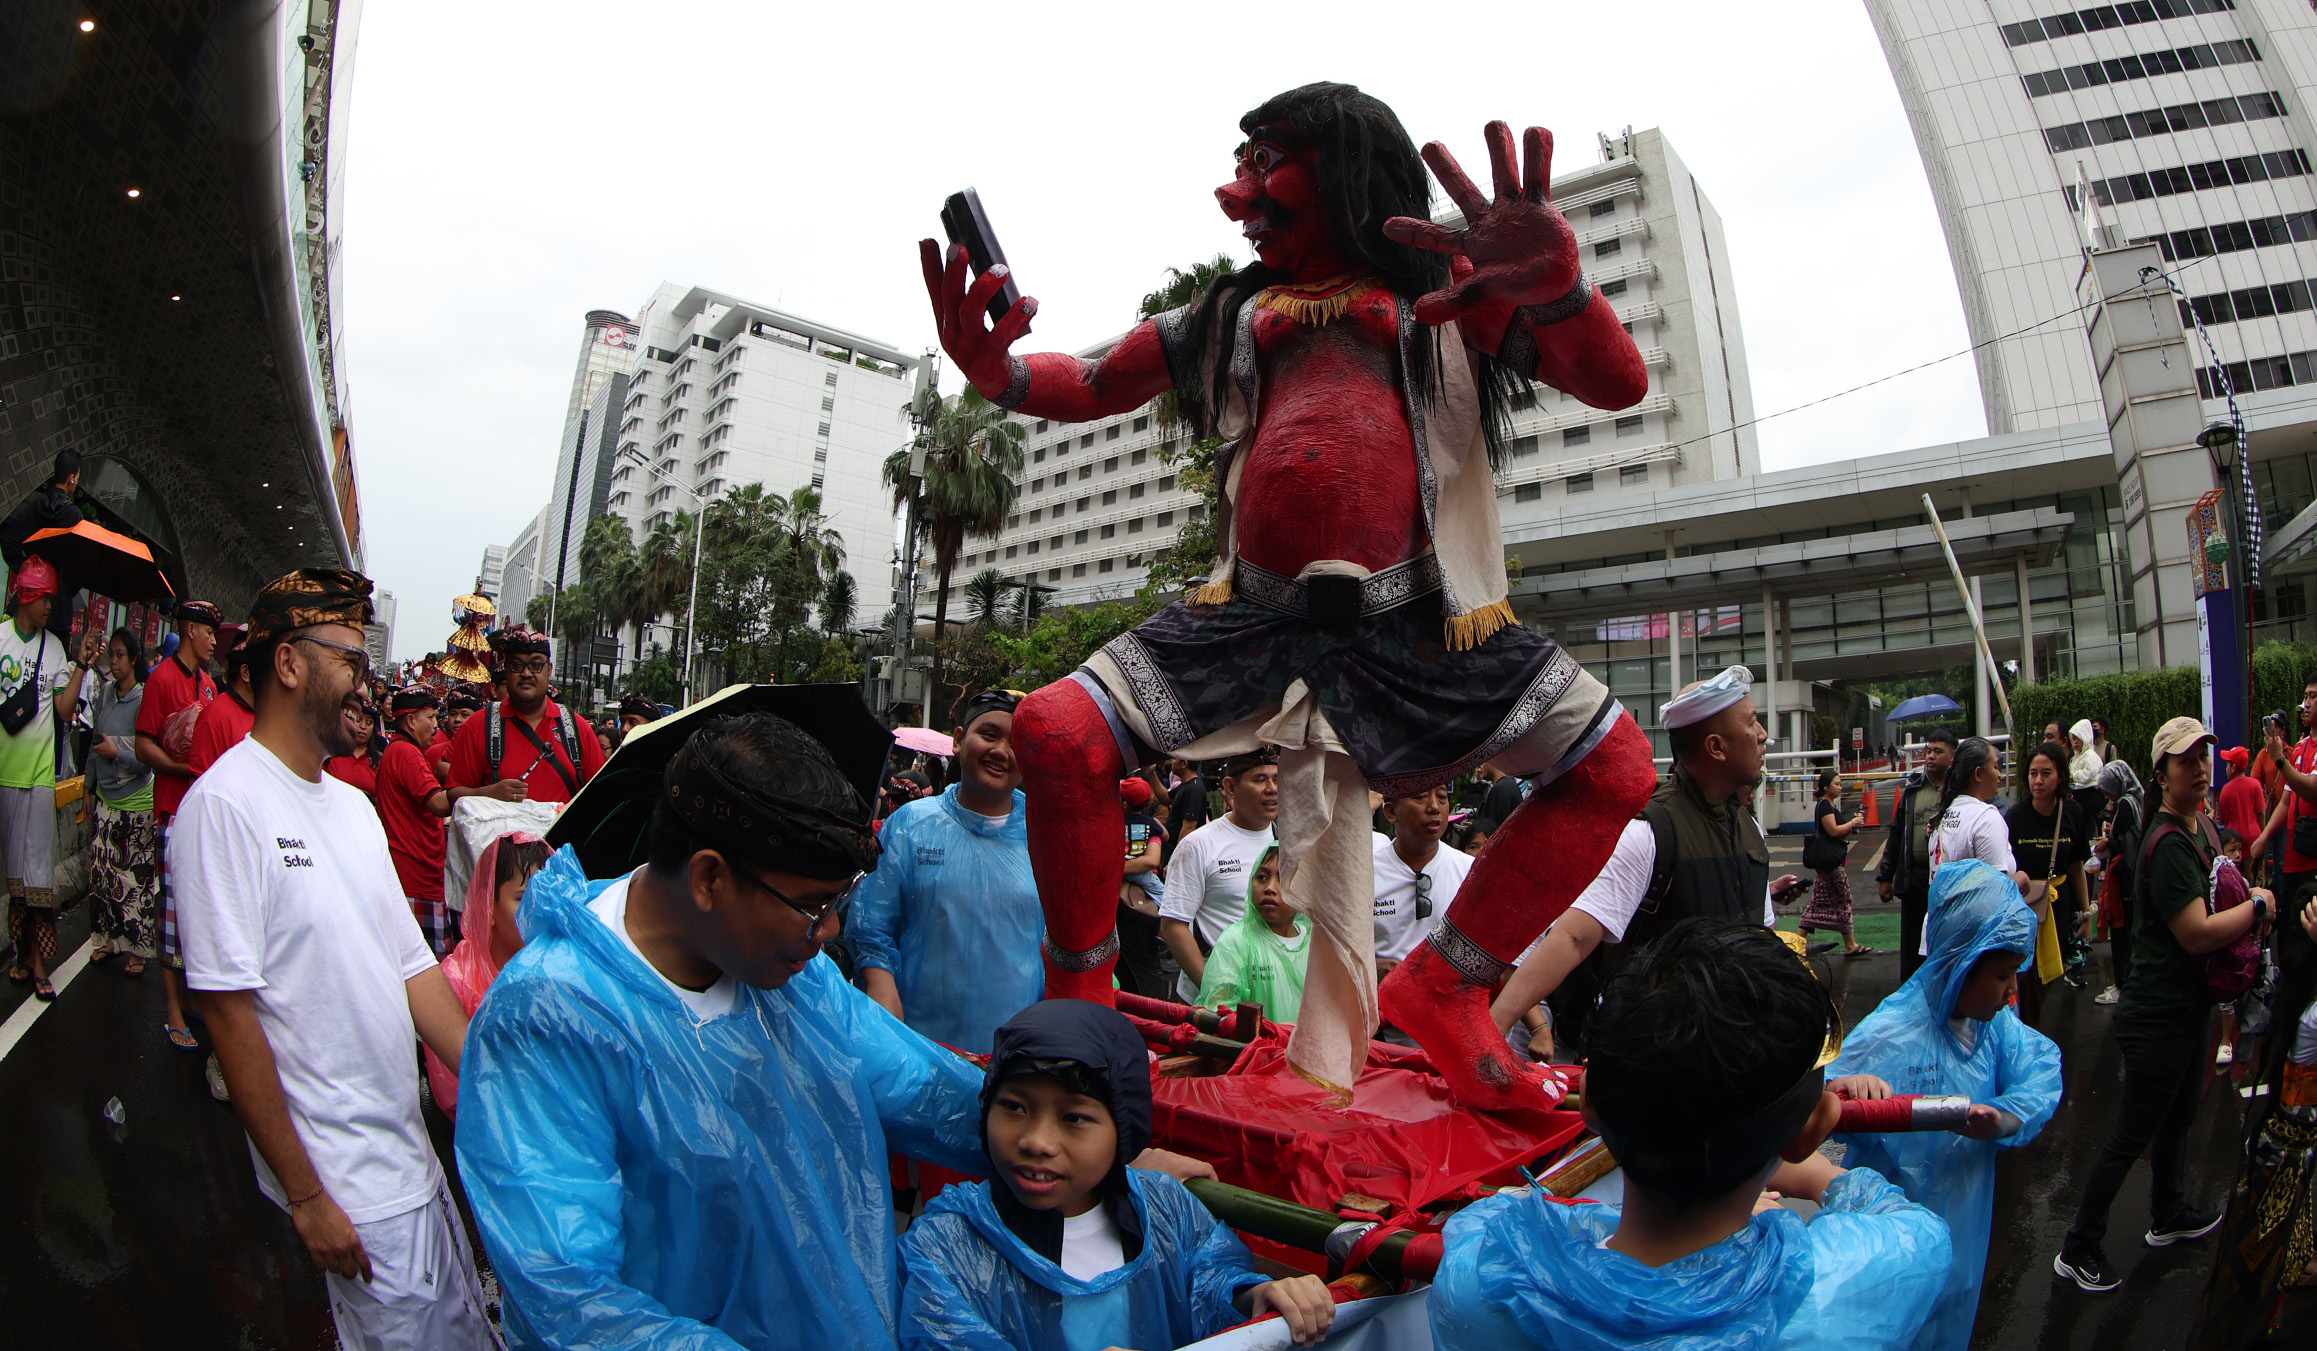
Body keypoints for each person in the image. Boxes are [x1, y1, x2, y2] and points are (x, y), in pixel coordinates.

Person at [946, 85, 1660, 1105]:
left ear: (1343, 168)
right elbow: (1096, 382)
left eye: (1262, 162)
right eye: (1239, 165)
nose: (1235, 192)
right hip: (1254, 616)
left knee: (1614, 766)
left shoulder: (1451, 295)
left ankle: (1448, 986)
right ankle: (1082, 994)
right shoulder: (1231, 314)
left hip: (1416, 619)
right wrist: (1003, 376)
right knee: (1056, 731)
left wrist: (1559, 290)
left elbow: (1617, 383)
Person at [456, 711, 994, 1348]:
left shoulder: (790, 975)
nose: (828, 932)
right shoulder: (550, 1019)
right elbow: (569, 1298)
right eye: (813, 906)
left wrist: (1046, 1119)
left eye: (836, 904)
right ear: (709, 878)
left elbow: (917, 1086)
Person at [176, 569, 495, 1348]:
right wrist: (306, 1194)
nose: (363, 684)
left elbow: (413, 968)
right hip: (348, 1193)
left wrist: (500, 1079)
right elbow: (229, 1014)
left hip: (410, 1161)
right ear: (288, 663)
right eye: (349, 661)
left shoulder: (352, 807)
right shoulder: (223, 807)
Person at [1431, 920, 1951, 1350]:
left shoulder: (1482, 1287)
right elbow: (1909, 1225)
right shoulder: (1839, 1285)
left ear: (1588, 1100)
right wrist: (1817, 1175)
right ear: (1814, 1128)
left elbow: (1489, 1221)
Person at [897, 999, 1335, 1351]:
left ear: (1124, 1130)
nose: (1036, 1141)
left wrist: (1256, 1297)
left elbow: (1213, 1279)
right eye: (1014, 1106)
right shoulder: (946, 1247)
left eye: (1074, 1118)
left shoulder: (1167, 1209)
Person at [2057, 716, 2274, 1293]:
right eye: (2186, 761)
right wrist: (2256, 906)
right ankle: (2078, 1247)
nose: (2200, 768)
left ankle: (2169, 1211)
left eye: (2203, 756)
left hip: (2189, 1004)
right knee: (2133, 1134)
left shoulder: (2202, 824)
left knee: (2179, 1117)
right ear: (2161, 774)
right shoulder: (2169, 842)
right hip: (2156, 1013)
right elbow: (2197, 933)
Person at [1488, 667, 1800, 1055]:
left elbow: (1762, 935)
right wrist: (1493, 1029)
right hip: (1665, 1058)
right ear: (1716, 747)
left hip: (1738, 1049)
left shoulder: (1748, 825)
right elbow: (1572, 937)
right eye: (1752, 722)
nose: (1763, 734)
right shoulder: (1649, 833)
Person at [1827, 860, 2064, 1351]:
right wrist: (1845, 1089)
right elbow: (1809, 1106)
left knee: (1952, 1319)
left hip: (1965, 1231)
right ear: (1960, 964)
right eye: (2002, 976)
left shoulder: (1992, 1027)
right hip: (1892, 1242)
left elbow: (2039, 1070)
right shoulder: (1889, 1035)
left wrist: (2007, 1117)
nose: (2013, 991)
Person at [851, 690, 1044, 1053]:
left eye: (1017, 744)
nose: (1001, 751)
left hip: (1016, 1056)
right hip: (917, 1046)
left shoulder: (1045, 835)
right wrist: (884, 1003)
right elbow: (872, 927)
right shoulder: (912, 824)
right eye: (989, 734)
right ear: (958, 740)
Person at [2196, 899, 2317, 1348]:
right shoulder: (2314, 1016)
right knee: (2258, 1271)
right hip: (2288, 1156)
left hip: (2283, 1144)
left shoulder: (2300, 997)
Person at [0, 558, 86, 1002]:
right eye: (45, 597)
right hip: (2, 775)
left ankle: (37, 963)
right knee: (13, 875)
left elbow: (64, 712)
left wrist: (81, 668)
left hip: (36, 776)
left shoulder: (53, 647)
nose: (51, 605)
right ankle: (20, 956)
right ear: (27, 597)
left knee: (36, 875)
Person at [139, 598, 220, 1050]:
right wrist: (180, 768)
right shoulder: (162, 679)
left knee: (195, 911)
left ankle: (189, 997)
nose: (213, 641)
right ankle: (172, 1007)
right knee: (170, 909)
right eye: (208, 632)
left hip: (200, 814)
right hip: (171, 810)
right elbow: (143, 744)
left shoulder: (208, 684)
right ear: (190, 630)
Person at [424, 831, 549, 1119]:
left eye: (545, 896)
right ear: (489, 907)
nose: (537, 910)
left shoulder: (558, 971)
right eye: (522, 898)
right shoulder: (456, 981)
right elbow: (454, 1092)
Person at [1159, 748, 1281, 1003]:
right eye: (1260, 779)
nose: (1272, 789)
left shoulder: (1290, 841)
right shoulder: (1200, 845)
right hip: (1214, 1002)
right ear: (1231, 788)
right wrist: (1215, 994)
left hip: (1275, 992)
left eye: (1277, 779)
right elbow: (1173, 926)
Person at [447, 628, 604, 808]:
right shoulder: (478, 725)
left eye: (536, 665)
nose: (526, 673)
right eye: (517, 665)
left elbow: (602, 794)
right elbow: (453, 794)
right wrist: (488, 793)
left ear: (549, 670)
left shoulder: (576, 728)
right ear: (506, 669)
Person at [87, 626, 159, 975]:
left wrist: (117, 753)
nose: (113, 662)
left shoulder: (144, 699)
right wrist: (88, 788)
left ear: (133, 660)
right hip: (105, 798)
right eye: (110, 655)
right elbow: (93, 743)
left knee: (133, 879)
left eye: (119, 655)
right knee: (101, 874)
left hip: (136, 801)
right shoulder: (105, 694)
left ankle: (138, 949)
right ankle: (107, 940)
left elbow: (146, 759)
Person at [2009, 739, 2094, 1018]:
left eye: (2046, 773)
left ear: (2060, 777)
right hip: (2026, 910)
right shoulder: (2015, 817)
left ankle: (2029, 1027)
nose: (2038, 780)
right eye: (2033, 773)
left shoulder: (2073, 813)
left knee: (2046, 981)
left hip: (2060, 909)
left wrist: (2086, 915)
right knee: (2027, 979)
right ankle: (2026, 1029)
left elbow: (2077, 867)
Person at [378, 687, 455, 956]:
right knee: (429, 963)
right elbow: (439, 804)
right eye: (430, 717)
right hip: (417, 877)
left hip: (414, 875)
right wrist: (484, 792)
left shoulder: (400, 750)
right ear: (411, 720)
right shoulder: (406, 753)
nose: (436, 725)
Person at [1195, 844, 1311, 1020]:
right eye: (1262, 877)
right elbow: (1220, 1011)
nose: (1270, 888)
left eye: (1284, 878)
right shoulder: (1236, 941)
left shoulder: (1315, 944)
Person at [1370, 784, 1471, 980]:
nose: (1434, 807)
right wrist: (1374, 966)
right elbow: (1338, 951)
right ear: (1391, 812)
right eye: (1420, 797)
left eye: (1442, 797)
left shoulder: (1469, 872)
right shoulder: (1365, 874)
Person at [1879, 728, 1958, 977]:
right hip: (1914, 881)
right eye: (1928, 751)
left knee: (1944, 947)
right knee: (1912, 952)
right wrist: (1886, 876)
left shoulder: (1959, 793)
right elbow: (1896, 833)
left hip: (1948, 883)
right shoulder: (1912, 791)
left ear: (1953, 756)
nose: (1930, 756)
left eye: (1938, 751)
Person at [0, 451, 84, 645]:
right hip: (59, 610)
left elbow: (8, 540)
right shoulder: (74, 517)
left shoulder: (34, 507)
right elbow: (80, 566)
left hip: (27, 604)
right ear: (71, 478)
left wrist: (29, 572)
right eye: (77, 478)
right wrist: (62, 588)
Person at [2091, 759, 2147, 1007]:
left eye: (2107, 789)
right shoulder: (2138, 800)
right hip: (2135, 874)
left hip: (2124, 875)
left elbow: (2122, 841)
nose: (2106, 795)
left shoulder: (2125, 803)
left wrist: (2107, 842)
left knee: (2121, 928)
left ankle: (2122, 984)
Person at [1800, 770, 1871, 958]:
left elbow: (1841, 833)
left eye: (1840, 784)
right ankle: (1850, 944)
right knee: (1843, 898)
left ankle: (1798, 941)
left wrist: (1853, 825)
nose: (1840, 787)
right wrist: (1852, 822)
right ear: (1826, 787)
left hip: (1829, 860)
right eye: (1836, 784)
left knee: (1819, 902)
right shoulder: (1824, 805)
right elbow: (1832, 831)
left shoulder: (1830, 805)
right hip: (1829, 862)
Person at [1114, 776, 1172, 1000]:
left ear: (1123, 802)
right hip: (1143, 876)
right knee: (1163, 894)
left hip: (1118, 876)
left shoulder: (1114, 822)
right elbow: (1164, 838)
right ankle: (1165, 925)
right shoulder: (1151, 823)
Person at [323, 699, 382, 800]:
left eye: (369, 722)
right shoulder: (331, 754)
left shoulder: (380, 761)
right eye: (359, 719)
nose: (363, 726)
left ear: (373, 731)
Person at [2216, 745, 2267, 850]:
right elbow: (2261, 813)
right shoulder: (2255, 785)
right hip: (2254, 839)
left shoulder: (2226, 790)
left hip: (2233, 842)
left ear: (2233, 767)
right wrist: (2263, 836)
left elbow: (2222, 821)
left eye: (2227, 765)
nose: (2226, 768)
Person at [1166, 757, 1210, 845]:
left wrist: (1179, 851)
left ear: (1184, 764)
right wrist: (1152, 773)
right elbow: (1165, 798)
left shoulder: (1194, 789)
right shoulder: (1185, 785)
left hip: (1180, 848)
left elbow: (1189, 828)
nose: (1172, 762)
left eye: (1175, 759)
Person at [2068, 719, 2106, 820]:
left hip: (2090, 794)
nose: (2075, 742)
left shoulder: (2091, 756)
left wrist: (2073, 777)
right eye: (2073, 739)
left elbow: (2089, 773)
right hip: (2078, 792)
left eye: (2078, 739)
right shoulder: (2075, 758)